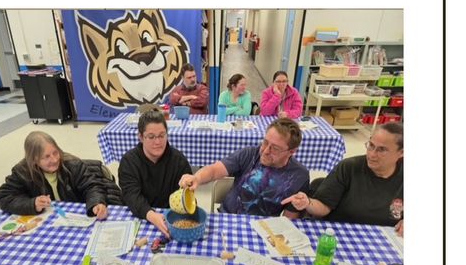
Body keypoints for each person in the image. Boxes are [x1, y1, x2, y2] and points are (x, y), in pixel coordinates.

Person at [281, 122, 403, 234]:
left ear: (401, 153)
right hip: (340, 234)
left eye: (382, 150)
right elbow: (324, 206)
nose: (372, 154)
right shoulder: (349, 167)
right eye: (371, 145)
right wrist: (307, 203)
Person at [179, 117, 310, 217]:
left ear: (292, 152)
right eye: (265, 142)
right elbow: (214, 170)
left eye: (275, 148)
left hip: (266, 228)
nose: (265, 151)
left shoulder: (299, 175)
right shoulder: (249, 154)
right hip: (229, 217)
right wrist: (197, 178)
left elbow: (288, 220)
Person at [0, 131, 111, 219]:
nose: (55, 159)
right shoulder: (22, 172)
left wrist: (96, 203)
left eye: (55, 152)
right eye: (46, 157)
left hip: (76, 217)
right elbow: (5, 197)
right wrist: (32, 204)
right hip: (46, 223)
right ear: (34, 159)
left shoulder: (73, 165)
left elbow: (92, 186)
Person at [117, 109, 194, 237]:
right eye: (151, 137)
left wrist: (189, 187)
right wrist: (151, 215)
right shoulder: (129, 162)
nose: (157, 142)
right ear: (141, 137)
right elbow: (131, 196)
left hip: (171, 218)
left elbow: (185, 197)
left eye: (162, 135)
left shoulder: (179, 160)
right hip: (140, 216)